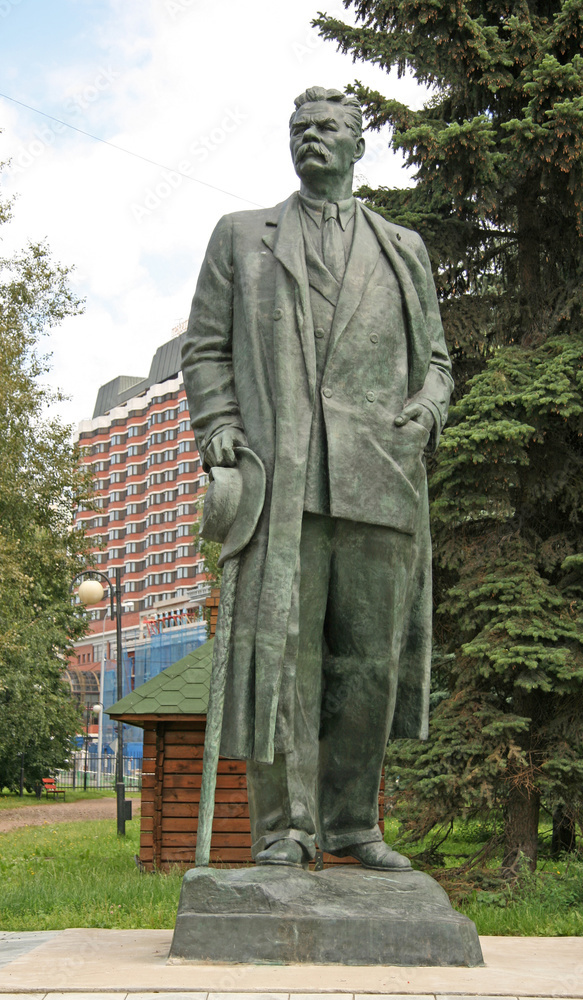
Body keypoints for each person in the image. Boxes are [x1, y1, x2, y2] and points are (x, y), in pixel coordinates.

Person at [182, 86, 453, 870]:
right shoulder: (242, 237)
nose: (312, 138)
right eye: (300, 128)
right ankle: (285, 828)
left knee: (367, 665)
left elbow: (436, 362)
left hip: (380, 478)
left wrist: (426, 412)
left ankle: (351, 824)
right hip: (283, 478)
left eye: (329, 127)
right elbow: (205, 347)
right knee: (283, 659)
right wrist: (219, 424)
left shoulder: (401, 248)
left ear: (358, 145)